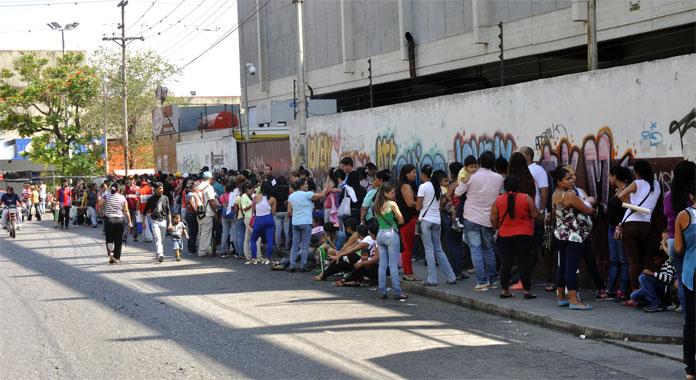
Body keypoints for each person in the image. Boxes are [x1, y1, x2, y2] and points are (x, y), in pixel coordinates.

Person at [455, 151, 504, 291]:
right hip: (489, 218)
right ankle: (493, 280)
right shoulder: (499, 178)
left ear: (479, 162)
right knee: (488, 249)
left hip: (471, 217)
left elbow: (458, 193)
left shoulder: (472, 177)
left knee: (475, 249)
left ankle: (482, 281)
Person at [552, 166, 596, 310]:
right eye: (568, 178)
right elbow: (586, 209)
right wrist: (592, 205)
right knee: (571, 267)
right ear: (559, 181)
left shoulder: (556, 194)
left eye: (572, 177)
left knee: (563, 265)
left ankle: (561, 297)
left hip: (560, 234)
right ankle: (574, 301)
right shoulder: (569, 195)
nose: (572, 181)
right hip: (573, 236)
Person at [491, 175, 539, 299]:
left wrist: (497, 228)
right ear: (518, 186)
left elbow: (493, 219)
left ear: (505, 187)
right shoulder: (526, 198)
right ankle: (527, 291)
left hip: (505, 235)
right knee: (524, 263)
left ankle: (504, 290)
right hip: (524, 234)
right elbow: (535, 214)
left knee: (506, 263)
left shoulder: (498, 200)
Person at [617, 160, 662, 292]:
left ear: (637, 173)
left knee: (633, 261)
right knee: (643, 259)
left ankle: (635, 292)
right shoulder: (657, 185)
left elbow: (620, 195)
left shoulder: (638, 183)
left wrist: (632, 205)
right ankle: (646, 291)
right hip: (646, 225)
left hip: (631, 224)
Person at [417, 167, 457, 286]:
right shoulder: (440, 189)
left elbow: (418, 207)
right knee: (439, 249)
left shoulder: (423, 187)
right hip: (437, 221)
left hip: (425, 220)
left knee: (429, 250)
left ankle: (432, 279)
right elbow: (440, 208)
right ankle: (451, 277)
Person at [665, 160, 696, 311]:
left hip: (672, 241)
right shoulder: (691, 198)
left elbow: (667, 215)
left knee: (682, 279)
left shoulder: (669, 196)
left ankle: (687, 314)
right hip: (689, 242)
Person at [674, 176, 696, 379]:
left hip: (692, 272)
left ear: (691, 196)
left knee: (691, 321)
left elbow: (678, 248)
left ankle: (691, 370)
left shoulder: (683, 215)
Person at [287, 178, 332, 272]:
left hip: (295, 222)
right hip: (306, 222)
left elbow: (289, 212)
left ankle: (292, 265)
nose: (307, 185)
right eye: (306, 184)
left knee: (295, 245)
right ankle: (303, 266)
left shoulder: (291, 196)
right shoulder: (307, 194)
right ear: (301, 185)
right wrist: (327, 185)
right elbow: (322, 195)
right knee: (305, 245)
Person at [374, 182, 407, 300]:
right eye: (392, 193)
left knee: (382, 265)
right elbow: (401, 220)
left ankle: (382, 291)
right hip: (391, 234)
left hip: (380, 234)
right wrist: (395, 222)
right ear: (385, 193)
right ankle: (398, 292)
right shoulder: (392, 204)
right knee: (393, 265)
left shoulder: (376, 205)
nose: (393, 195)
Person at [606, 165, 632, 300]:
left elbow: (630, 208)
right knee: (614, 259)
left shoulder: (626, 190)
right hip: (612, 227)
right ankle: (610, 289)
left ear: (615, 176)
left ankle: (622, 289)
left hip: (620, 227)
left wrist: (621, 225)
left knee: (622, 260)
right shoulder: (616, 190)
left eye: (610, 175)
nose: (609, 178)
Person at [629, 245, 675, 312]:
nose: (656, 261)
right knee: (633, 296)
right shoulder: (656, 264)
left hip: (663, 287)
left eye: (657, 258)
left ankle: (656, 304)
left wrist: (653, 274)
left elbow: (669, 279)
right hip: (655, 287)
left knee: (643, 277)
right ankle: (652, 301)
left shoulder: (669, 262)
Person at [395, 164, 418, 281]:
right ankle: (408, 272)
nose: (415, 175)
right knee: (408, 247)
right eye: (413, 172)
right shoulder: (405, 186)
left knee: (408, 246)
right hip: (408, 219)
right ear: (406, 174)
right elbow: (410, 203)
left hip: (407, 219)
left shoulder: (407, 185)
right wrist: (422, 202)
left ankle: (408, 272)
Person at [103, 183, 132, 264]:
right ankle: (117, 258)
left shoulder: (106, 195)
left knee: (109, 238)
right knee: (118, 240)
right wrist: (130, 222)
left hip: (109, 220)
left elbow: (100, 204)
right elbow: (126, 211)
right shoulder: (122, 197)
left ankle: (111, 252)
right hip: (120, 220)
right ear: (118, 189)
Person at [144, 182, 172, 263]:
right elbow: (145, 211)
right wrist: (143, 222)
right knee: (157, 238)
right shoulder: (150, 199)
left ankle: (158, 254)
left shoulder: (165, 198)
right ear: (155, 189)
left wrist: (170, 223)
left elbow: (168, 211)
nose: (161, 190)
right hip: (154, 221)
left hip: (163, 221)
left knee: (162, 240)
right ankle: (160, 254)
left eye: (162, 188)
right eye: (160, 188)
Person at [250, 181, 277, 265]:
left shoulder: (256, 197)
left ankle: (254, 258)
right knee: (270, 240)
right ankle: (268, 259)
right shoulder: (272, 199)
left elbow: (253, 209)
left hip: (259, 219)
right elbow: (273, 212)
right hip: (269, 219)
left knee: (253, 239)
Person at [197, 171, 219, 257]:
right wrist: (215, 212)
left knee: (200, 231)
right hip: (207, 212)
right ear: (210, 179)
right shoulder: (209, 187)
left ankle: (200, 249)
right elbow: (211, 201)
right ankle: (202, 251)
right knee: (206, 232)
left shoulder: (198, 186)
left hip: (199, 212)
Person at [272, 176, 291, 252]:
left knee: (278, 230)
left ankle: (278, 246)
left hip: (277, 212)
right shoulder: (288, 189)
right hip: (286, 211)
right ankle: (287, 246)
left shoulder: (275, 189)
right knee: (286, 230)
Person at [219, 182, 238, 257]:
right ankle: (237, 251)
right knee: (234, 233)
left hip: (224, 215)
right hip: (232, 214)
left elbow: (221, 203)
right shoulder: (234, 195)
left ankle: (223, 251)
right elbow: (236, 205)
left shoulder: (222, 196)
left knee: (224, 233)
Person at [124, 176, 141, 241]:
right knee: (126, 222)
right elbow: (123, 198)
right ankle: (124, 236)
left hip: (134, 208)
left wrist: (137, 209)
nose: (130, 180)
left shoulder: (136, 188)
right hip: (127, 208)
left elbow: (137, 200)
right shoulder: (125, 188)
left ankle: (135, 236)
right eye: (129, 179)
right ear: (127, 180)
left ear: (134, 180)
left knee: (135, 222)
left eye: (132, 179)